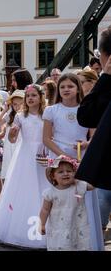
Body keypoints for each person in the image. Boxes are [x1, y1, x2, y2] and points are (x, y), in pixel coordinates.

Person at [43, 73, 104, 250]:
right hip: (60, 159)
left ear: (78, 88)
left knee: (82, 199)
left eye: (70, 86)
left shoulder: (87, 110)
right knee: (61, 200)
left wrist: (86, 143)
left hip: (82, 158)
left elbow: (94, 137)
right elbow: (46, 139)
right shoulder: (52, 110)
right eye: (62, 87)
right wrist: (63, 156)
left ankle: (86, 241)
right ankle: (61, 242)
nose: (66, 89)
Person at [0, 84, 50, 249]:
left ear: (41, 97)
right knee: (24, 189)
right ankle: (21, 231)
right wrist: (13, 133)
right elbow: (13, 139)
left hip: (42, 153)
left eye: (33, 95)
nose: (30, 99)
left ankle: (45, 228)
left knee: (43, 188)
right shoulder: (21, 116)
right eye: (28, 96)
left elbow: (51, 135)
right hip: (25, 155)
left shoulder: (47, 115)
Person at [76, 27, 111, 235]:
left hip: (106, 168)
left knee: (95, 227)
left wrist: (106, 77)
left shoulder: (107, 84)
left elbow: (86, 115)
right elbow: (87, 117)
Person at [40, 156, 94, 251]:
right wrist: (42, 224)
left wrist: (80, 177)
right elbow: (45, 210)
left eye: (69, 171)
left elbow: (92, 186)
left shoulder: (78, 186)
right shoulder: (50, 193)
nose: (65, 174)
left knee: (79, 245)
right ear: (53, 176)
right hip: (59, 226)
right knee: (61, 245)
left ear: (74, 173)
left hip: (77, 224)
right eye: (60, 172)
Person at [0, 90, 25, 182]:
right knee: (8, 167)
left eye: (21, 104)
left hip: (19, 143)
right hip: (9, 144)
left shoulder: (25, 116)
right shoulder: (10, 114)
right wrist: (5, 110)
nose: (17, 106)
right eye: (15, 104)